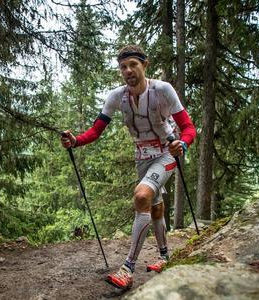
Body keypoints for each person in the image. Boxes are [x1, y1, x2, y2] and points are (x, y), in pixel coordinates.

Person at [60, 45, 196, 290]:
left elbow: (189, 128)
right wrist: (75, 141)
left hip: (166, 153)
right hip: (142, 158)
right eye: (123, 66)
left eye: (133, 64)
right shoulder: (116, 96)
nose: (128, 70)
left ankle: (128, 268)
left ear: (145, 65)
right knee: (155, 207)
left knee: (142, 195)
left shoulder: (163, 90)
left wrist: (182, 144)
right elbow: (96, 130)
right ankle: (165, 256)